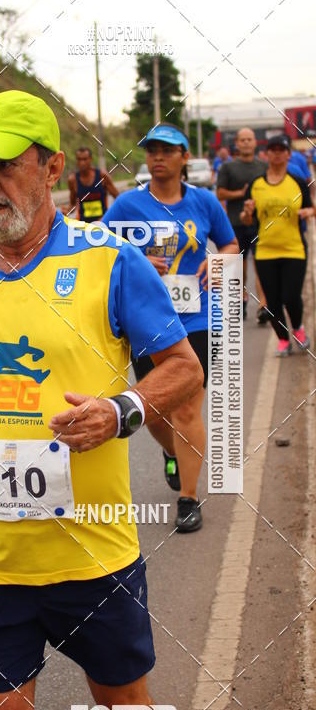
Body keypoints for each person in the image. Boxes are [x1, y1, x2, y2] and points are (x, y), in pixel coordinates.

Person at [0, 90, 203, 710]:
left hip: (92, 552)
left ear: (50, 167)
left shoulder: (109, 261)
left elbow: (182, 368)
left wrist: (119, 411)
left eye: (6, 166)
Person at [103, 124, 238, 534]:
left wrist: (218, 264)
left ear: (184, 157)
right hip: (148, 321)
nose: (157, 156)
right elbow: (98, 247)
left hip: (197, 317)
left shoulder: (204, 202)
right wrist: (138, 259)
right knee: (154, 411)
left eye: (167, 150)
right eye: (152, 150)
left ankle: (189, 499)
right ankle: (175, 453)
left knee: (185, 408)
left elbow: (230, 244)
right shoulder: (127, 205)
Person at [240, 134, 314, 356]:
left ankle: (298, 329)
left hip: (294, 248)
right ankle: (283, 340)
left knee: (291, 296)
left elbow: (312, 207)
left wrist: (308, 211)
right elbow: (246, 219)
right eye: (272, 149)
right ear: (266, 154)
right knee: (272, 301)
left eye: (281, 150)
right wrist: (247, 213)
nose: (277, 153)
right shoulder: (256, 184)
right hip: (265, 250)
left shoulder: (297, 182)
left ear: (288, 154)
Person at [216, 127, 268, 322]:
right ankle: (242, 297)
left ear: (255, 142)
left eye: (249, 139)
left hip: (260, 223)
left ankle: (264, 304)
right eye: (242, 140)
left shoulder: (263, 166)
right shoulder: (228, 168)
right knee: (240, 265)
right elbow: (220, 193)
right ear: (237, 144)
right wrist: (243, 193)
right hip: (236, 222)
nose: (246, 143)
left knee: (261, 263)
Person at [68, 146, 119, 222]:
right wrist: (65, 211)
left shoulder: (102, 176)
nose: (82, 162)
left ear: (90, 159)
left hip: (103, 223)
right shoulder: (73, 180)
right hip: (84, 225)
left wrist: (109, 215)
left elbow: (118, 198)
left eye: (85, 159)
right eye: (79, 159)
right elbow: (72, 205)